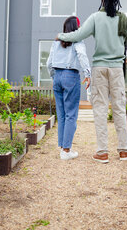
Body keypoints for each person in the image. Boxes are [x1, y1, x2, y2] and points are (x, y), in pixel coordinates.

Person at [57, 0, 127, 163]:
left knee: (100, 109)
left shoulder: (95, 17)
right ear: (116, 0)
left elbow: (78, 35)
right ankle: (123, 151)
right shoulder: (124, 20)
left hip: (99, 68)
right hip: (116, 69)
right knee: (119, 108)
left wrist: (61, 35)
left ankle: (102, 152)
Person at [47, 16, 91, 160]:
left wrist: (54, 77)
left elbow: (49, 62)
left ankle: (63, 147)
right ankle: (66, 151)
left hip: (57, 76)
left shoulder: (56, 42)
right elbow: (82, 55)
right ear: (76, 28)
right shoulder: (77, 40)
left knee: (61, 114)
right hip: (70, 75)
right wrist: (87, 73)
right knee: (71, 114)